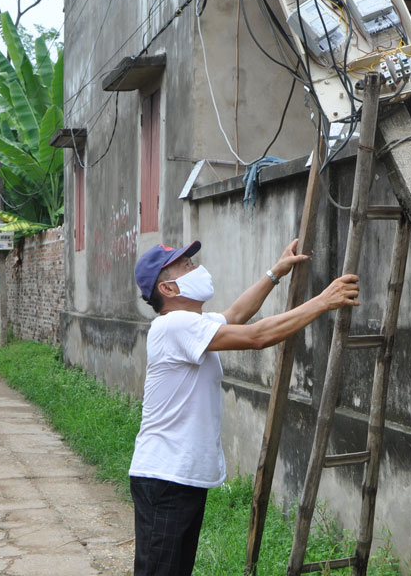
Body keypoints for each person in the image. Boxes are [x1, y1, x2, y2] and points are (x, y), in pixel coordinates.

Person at [130, 238, 360, 576]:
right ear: (167, 287)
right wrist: (323, 302)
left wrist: (274, 273)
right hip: (165, 478)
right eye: (186, 266)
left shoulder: (193, 324)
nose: (195, 268)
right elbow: (256, 337)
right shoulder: (174, 325)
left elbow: (236, 315)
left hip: (178, 477)